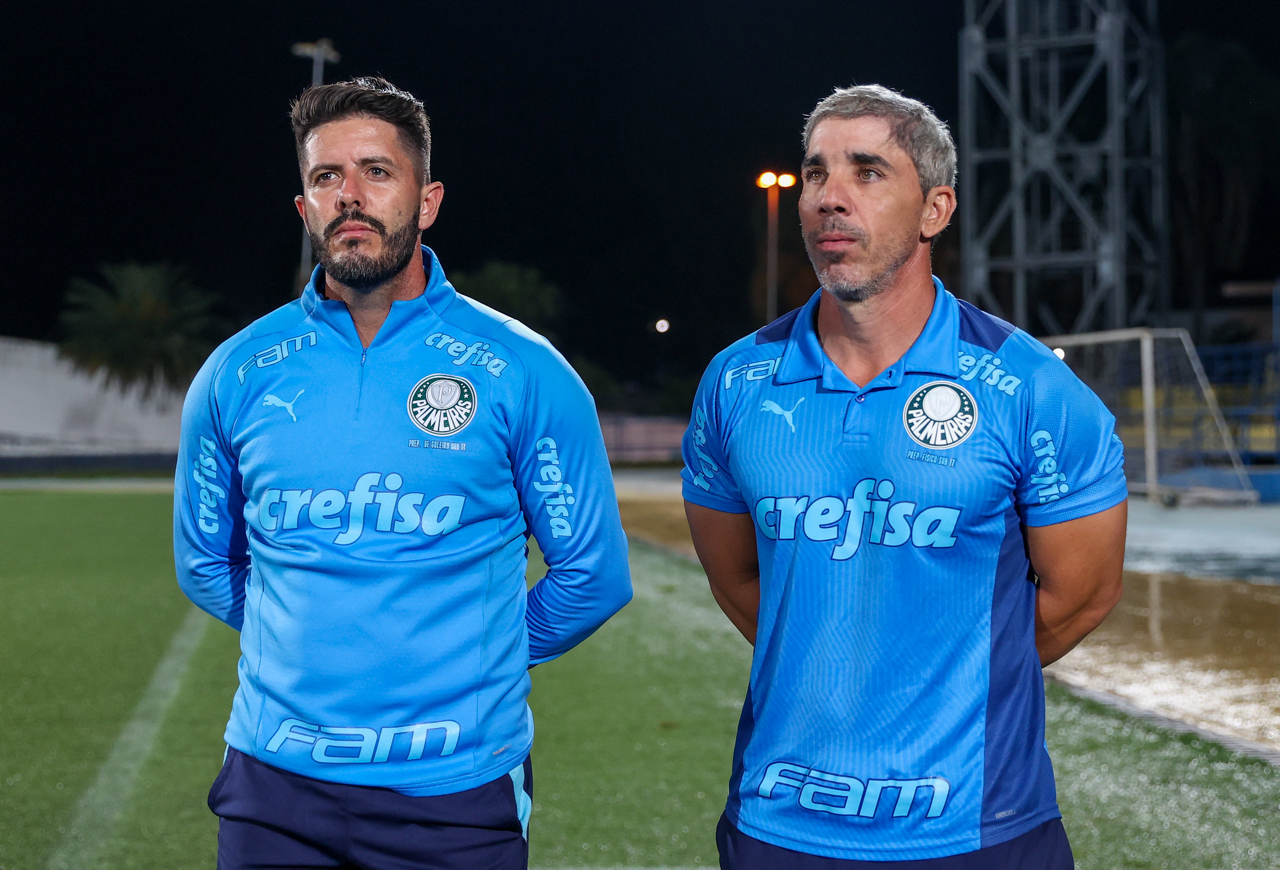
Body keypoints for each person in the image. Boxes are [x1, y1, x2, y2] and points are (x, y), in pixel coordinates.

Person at [174, 76, 631, 869]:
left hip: (456, 792)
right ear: (305, 208)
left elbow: (592, 575)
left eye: (377, 172)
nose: (350, 196)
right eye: (327, 177)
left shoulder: (522, 370)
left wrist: (472, 657)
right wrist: (309, 644)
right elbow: (205, 562)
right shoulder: (236, 372)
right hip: (273, 787)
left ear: (427, 202)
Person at [681, 84, 1127, 869]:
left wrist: (941, 681)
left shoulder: (1028, 387)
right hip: (780, 824)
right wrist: (843, 668)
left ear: (935, 210)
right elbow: (738, 580)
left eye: (867, 172)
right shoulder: (736, 382)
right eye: (815, 173)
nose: (830, 197)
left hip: (979, 827)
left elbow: (1082, 595)